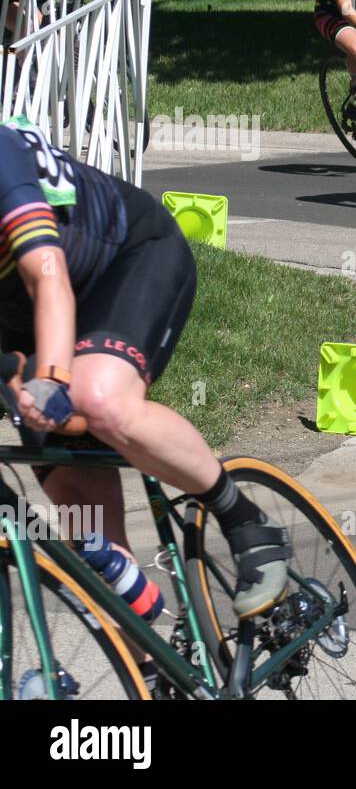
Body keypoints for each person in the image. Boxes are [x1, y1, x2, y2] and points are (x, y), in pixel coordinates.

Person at [0, 116, 292, 632]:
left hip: (126, 258)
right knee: (91, 541)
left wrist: (51, 376)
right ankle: (153, 677)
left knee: (97, 399)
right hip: (20, 320)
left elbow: (48, 278)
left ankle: (245, 520)